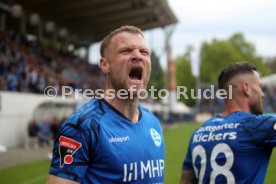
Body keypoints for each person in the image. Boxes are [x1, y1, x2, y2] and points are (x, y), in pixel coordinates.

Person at [47, 26, 165, 184]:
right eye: (126, 51)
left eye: (144, 52)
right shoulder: (82, 127)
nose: (138, 56)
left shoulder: (153, 123)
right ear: (105, 65)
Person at [180, 62, 276, 184]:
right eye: (260, 87)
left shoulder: (198, 134)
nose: (263, 94)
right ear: (246, 88)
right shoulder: (257, 126)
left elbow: (185, 182)